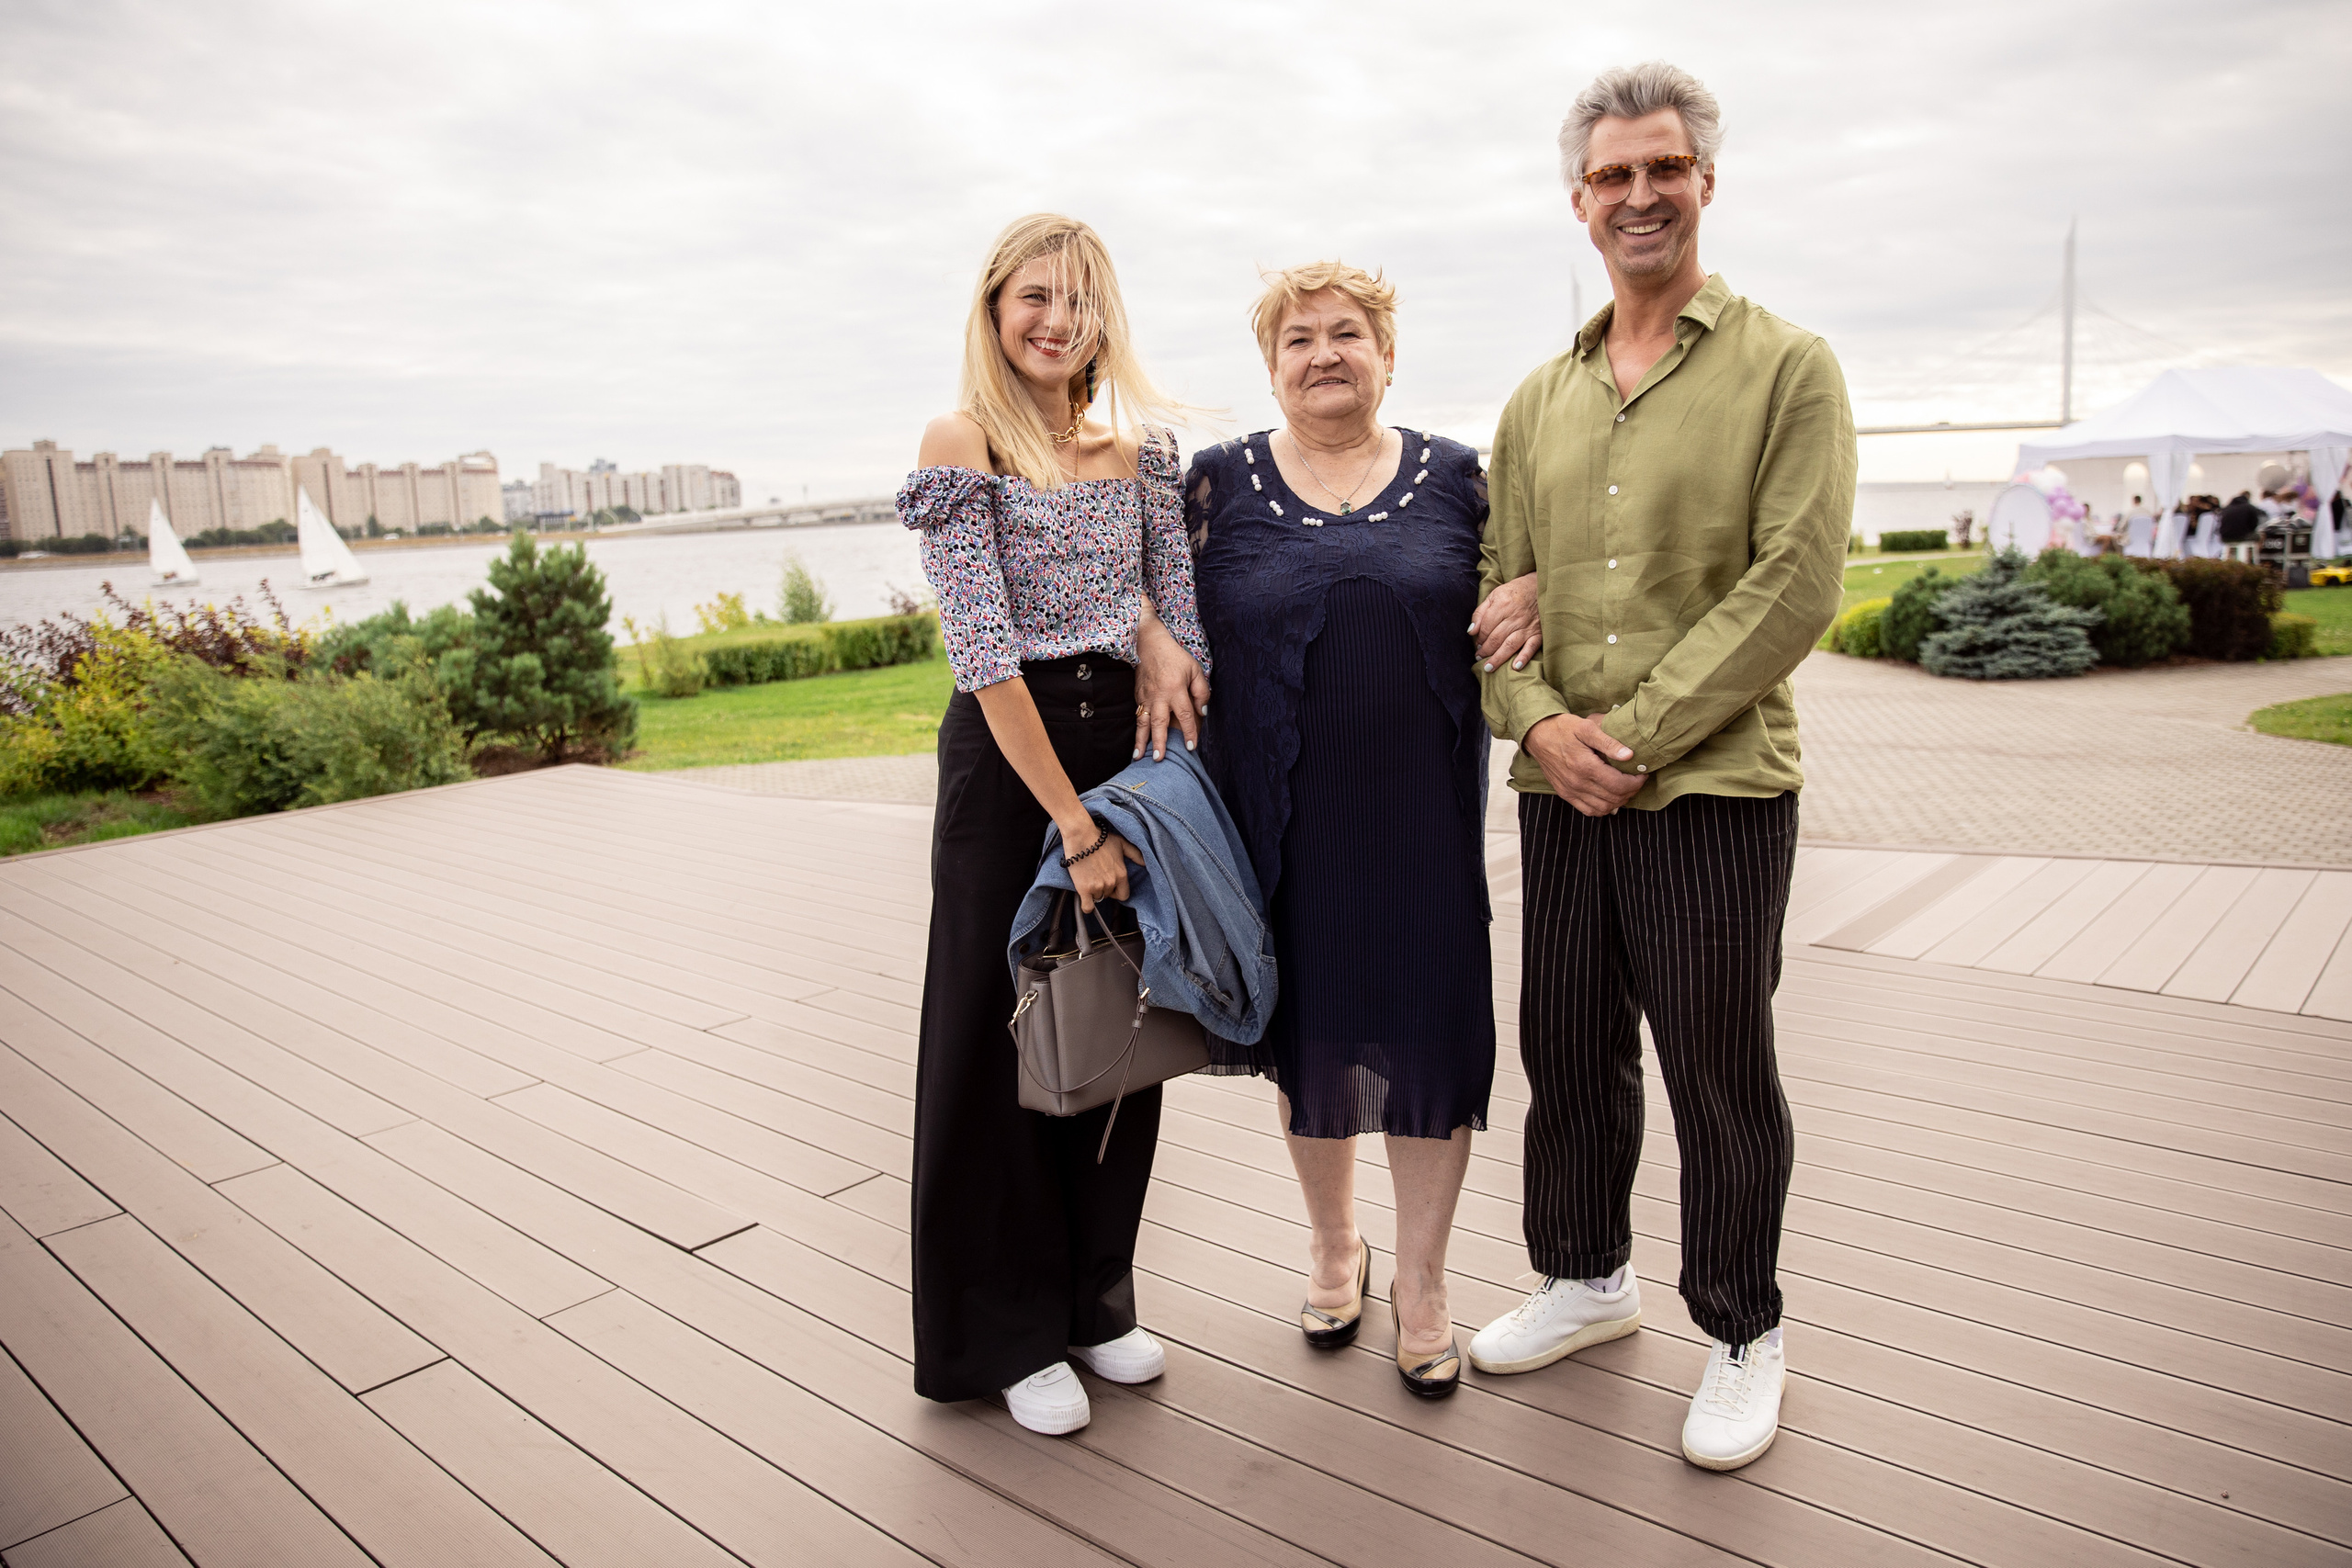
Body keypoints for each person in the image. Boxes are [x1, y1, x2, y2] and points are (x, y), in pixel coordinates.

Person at [1468, 62, 1852, 1472]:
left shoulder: (1787, 366)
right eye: (1614, 175)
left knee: (1716, 1067)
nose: (1641, 194)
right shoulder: (1536, 400)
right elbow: (1494, 599)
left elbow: (1796, 583)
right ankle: (1585, 1277)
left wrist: (1620, 731)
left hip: (1716, 790)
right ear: (1579, 202)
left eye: (1664, 168)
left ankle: (1745, 1330)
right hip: (1560, 790)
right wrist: (1537, 721)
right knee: (1565, 1050)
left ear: (1704, 182)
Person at [1171, 261, 1529, 1399]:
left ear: (1386, 352)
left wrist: (1539, 591)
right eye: (1296, 340)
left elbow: (1530, 581)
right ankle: (1335, 1247)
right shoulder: (1215, 485)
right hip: (1281, 822)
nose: (1323, 354)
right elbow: (1148, 601)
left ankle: (1420, 1286)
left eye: (1346, 334)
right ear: (1268, 366)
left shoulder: (1458, 478)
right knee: (1311, 1041)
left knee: (1430, 1041)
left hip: (1421, 823)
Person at [897, 212, 1213, 1437]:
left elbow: (1177, 617)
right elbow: (983, 647)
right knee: (996, 1038)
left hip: (1126, 755)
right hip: (1014, 759)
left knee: (1114, 1028)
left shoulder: (1143, 450)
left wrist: (1156, 656)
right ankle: (1006, 1329)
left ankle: (1093, 1296)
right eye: (1034, 295)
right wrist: (1073, 822)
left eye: (1078, 299)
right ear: (993, 308)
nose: (1055, 319)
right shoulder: (961, 440)